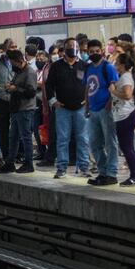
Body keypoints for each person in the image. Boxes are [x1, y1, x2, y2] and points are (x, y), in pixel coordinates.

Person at [46, 37, 91, 178]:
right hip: (63, 109)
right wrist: (53, 102)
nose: (73, 48)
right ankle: (61, 168)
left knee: (83, 139)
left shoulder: (84, 65)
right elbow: (48, 86)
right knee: (63, 139)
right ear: (64, 49)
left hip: (81, 108)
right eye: (70, 46)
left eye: (75, 46)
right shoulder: (56, 66)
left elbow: (91, 85)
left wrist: (88, 102)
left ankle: (84, 167)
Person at [84, 39, 120, 186]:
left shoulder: (108, 67)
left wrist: (110, 103)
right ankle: (102, 172)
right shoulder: (88, 68)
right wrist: (86, 106)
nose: (94, 54)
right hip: (92, 110)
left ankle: (112, 173)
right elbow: (87, 88)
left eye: (97, 51)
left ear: (102, 51)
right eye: (91, 52)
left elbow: (114, 86)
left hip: (106, 110)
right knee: (94, 143)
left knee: (110, 142)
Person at [0, 50, 38, 173]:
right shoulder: (18, 71)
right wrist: (10, 86)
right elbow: (17, 85)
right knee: (13, 136)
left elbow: (31, 92)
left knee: (25, 137)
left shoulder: (30, 72)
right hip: (16, 108)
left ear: (18, 61)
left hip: (25, 108)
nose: (11, 65)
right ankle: (10, 163)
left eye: (12, 62)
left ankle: (29, 164)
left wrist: (16, 88)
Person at [110, 53, 135, 186]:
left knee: (127, 147)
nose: (115, 65)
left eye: (117, 63)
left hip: (126, 115)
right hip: (121, 115)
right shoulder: (122, 76)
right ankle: (134, 175)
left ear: (122, 65)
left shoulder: (126, 77)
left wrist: (113, 91)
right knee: (125, 146)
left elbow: (127, 95)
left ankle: (134, 176)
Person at [0, 38, 18, 158]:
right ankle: (5, 154)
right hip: (1, 99)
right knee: (3, 129)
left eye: (15, 47)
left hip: (15, 99)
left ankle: (17, 154)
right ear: (5, 49)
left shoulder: (19, 61)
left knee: (17, 129)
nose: (14, 49)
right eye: (11, 47)